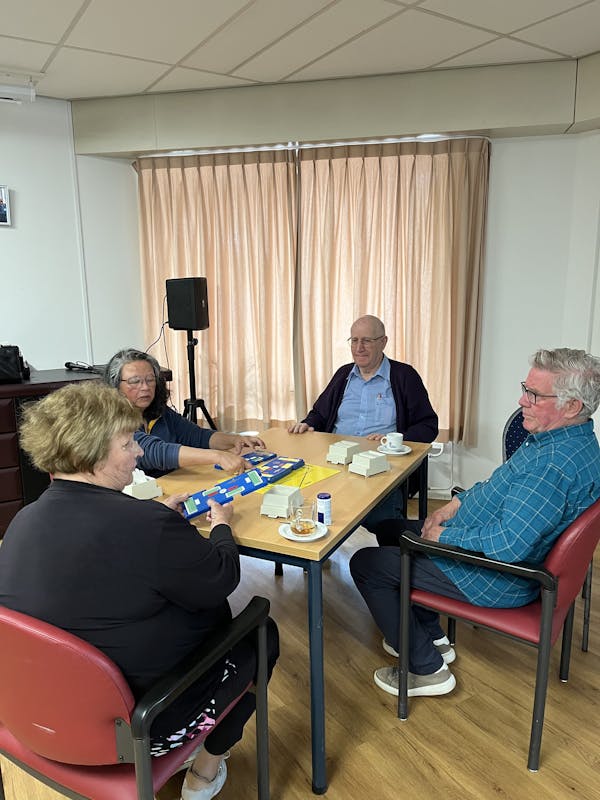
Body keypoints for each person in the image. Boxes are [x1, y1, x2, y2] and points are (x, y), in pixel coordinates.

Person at [0, 382, 279, 800]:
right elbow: (221, 578)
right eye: (128, 442)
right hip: (140, 730)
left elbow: (104, 554)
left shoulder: (23, 521)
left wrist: (153, 518)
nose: (138, 453)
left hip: (38, 718)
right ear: (93, 452)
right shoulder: (144, 525)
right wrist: (222, 526)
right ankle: (205, 770)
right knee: (262, 632)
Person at [350, 347, 600, 699]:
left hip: (494, 576)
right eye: (525, 388)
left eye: (533, 394)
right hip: (484, 547)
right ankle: (431, 635)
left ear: (571, 406)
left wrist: (443, 536)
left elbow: (508, 545)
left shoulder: (551, 466)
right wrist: (454, 505)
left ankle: (427, 669)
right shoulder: (562, 440)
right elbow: (499, 485)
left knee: (366, 565)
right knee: (391, 529)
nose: (522, 400)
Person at [288, 315, 438, 526]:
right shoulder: (343, 374)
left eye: (367, 341)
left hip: (380, 467)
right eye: (354, 340)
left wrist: (394, 439)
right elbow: (320, 413)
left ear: (383, 342)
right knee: (304, 498)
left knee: (383, 522)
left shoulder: (404, 376)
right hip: (336, 461)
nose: (359, 348)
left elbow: (428, 425)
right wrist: (308, 423)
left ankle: (395, 544)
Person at [104, 348, 266, 477]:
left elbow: (197, 436)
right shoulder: (111, 419)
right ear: (116, 386)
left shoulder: (160, 412)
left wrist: (235, 439)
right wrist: (218, 456)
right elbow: (154, 451)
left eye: (150, 379)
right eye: (135, 381)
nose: (145, 387)